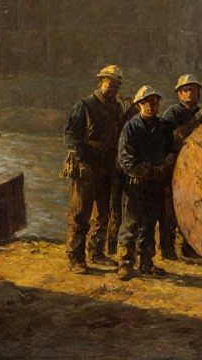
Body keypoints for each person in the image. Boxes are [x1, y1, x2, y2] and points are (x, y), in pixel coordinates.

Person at [61, 65, 126, 274]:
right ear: (100, 82)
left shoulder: (117, 108)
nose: (112, 87)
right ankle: (76, 257)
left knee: (102, 213)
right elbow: (71, 134)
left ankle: (97, 253)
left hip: (107, 167)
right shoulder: (85, 105)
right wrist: (80, 159)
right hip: (86, 167)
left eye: (116, 84)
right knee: (79, 214)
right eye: (109, 82)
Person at [157, 73, 202, 261]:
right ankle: (167, 249)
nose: (189, 94)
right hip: (176, 165)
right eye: (185, 90)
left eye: (193, 90)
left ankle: (190, 247)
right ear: (179, 94)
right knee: (171, 209)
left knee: (196, 208)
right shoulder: (172, 114)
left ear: (199, 93)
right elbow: (176, 138)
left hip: (197, 168)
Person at [116, 86, 176, 280]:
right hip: (135, 183)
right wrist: (145, 170)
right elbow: (125, 158)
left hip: (154, 184)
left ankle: (146, 263)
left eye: (155, 103)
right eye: (148, 103)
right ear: (139, 105)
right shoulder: (131, 127)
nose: (152, 106)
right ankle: (125, 263)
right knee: (130, 224)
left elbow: (171, 152)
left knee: (149, 225)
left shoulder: (162, 127)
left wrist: (164, 167)